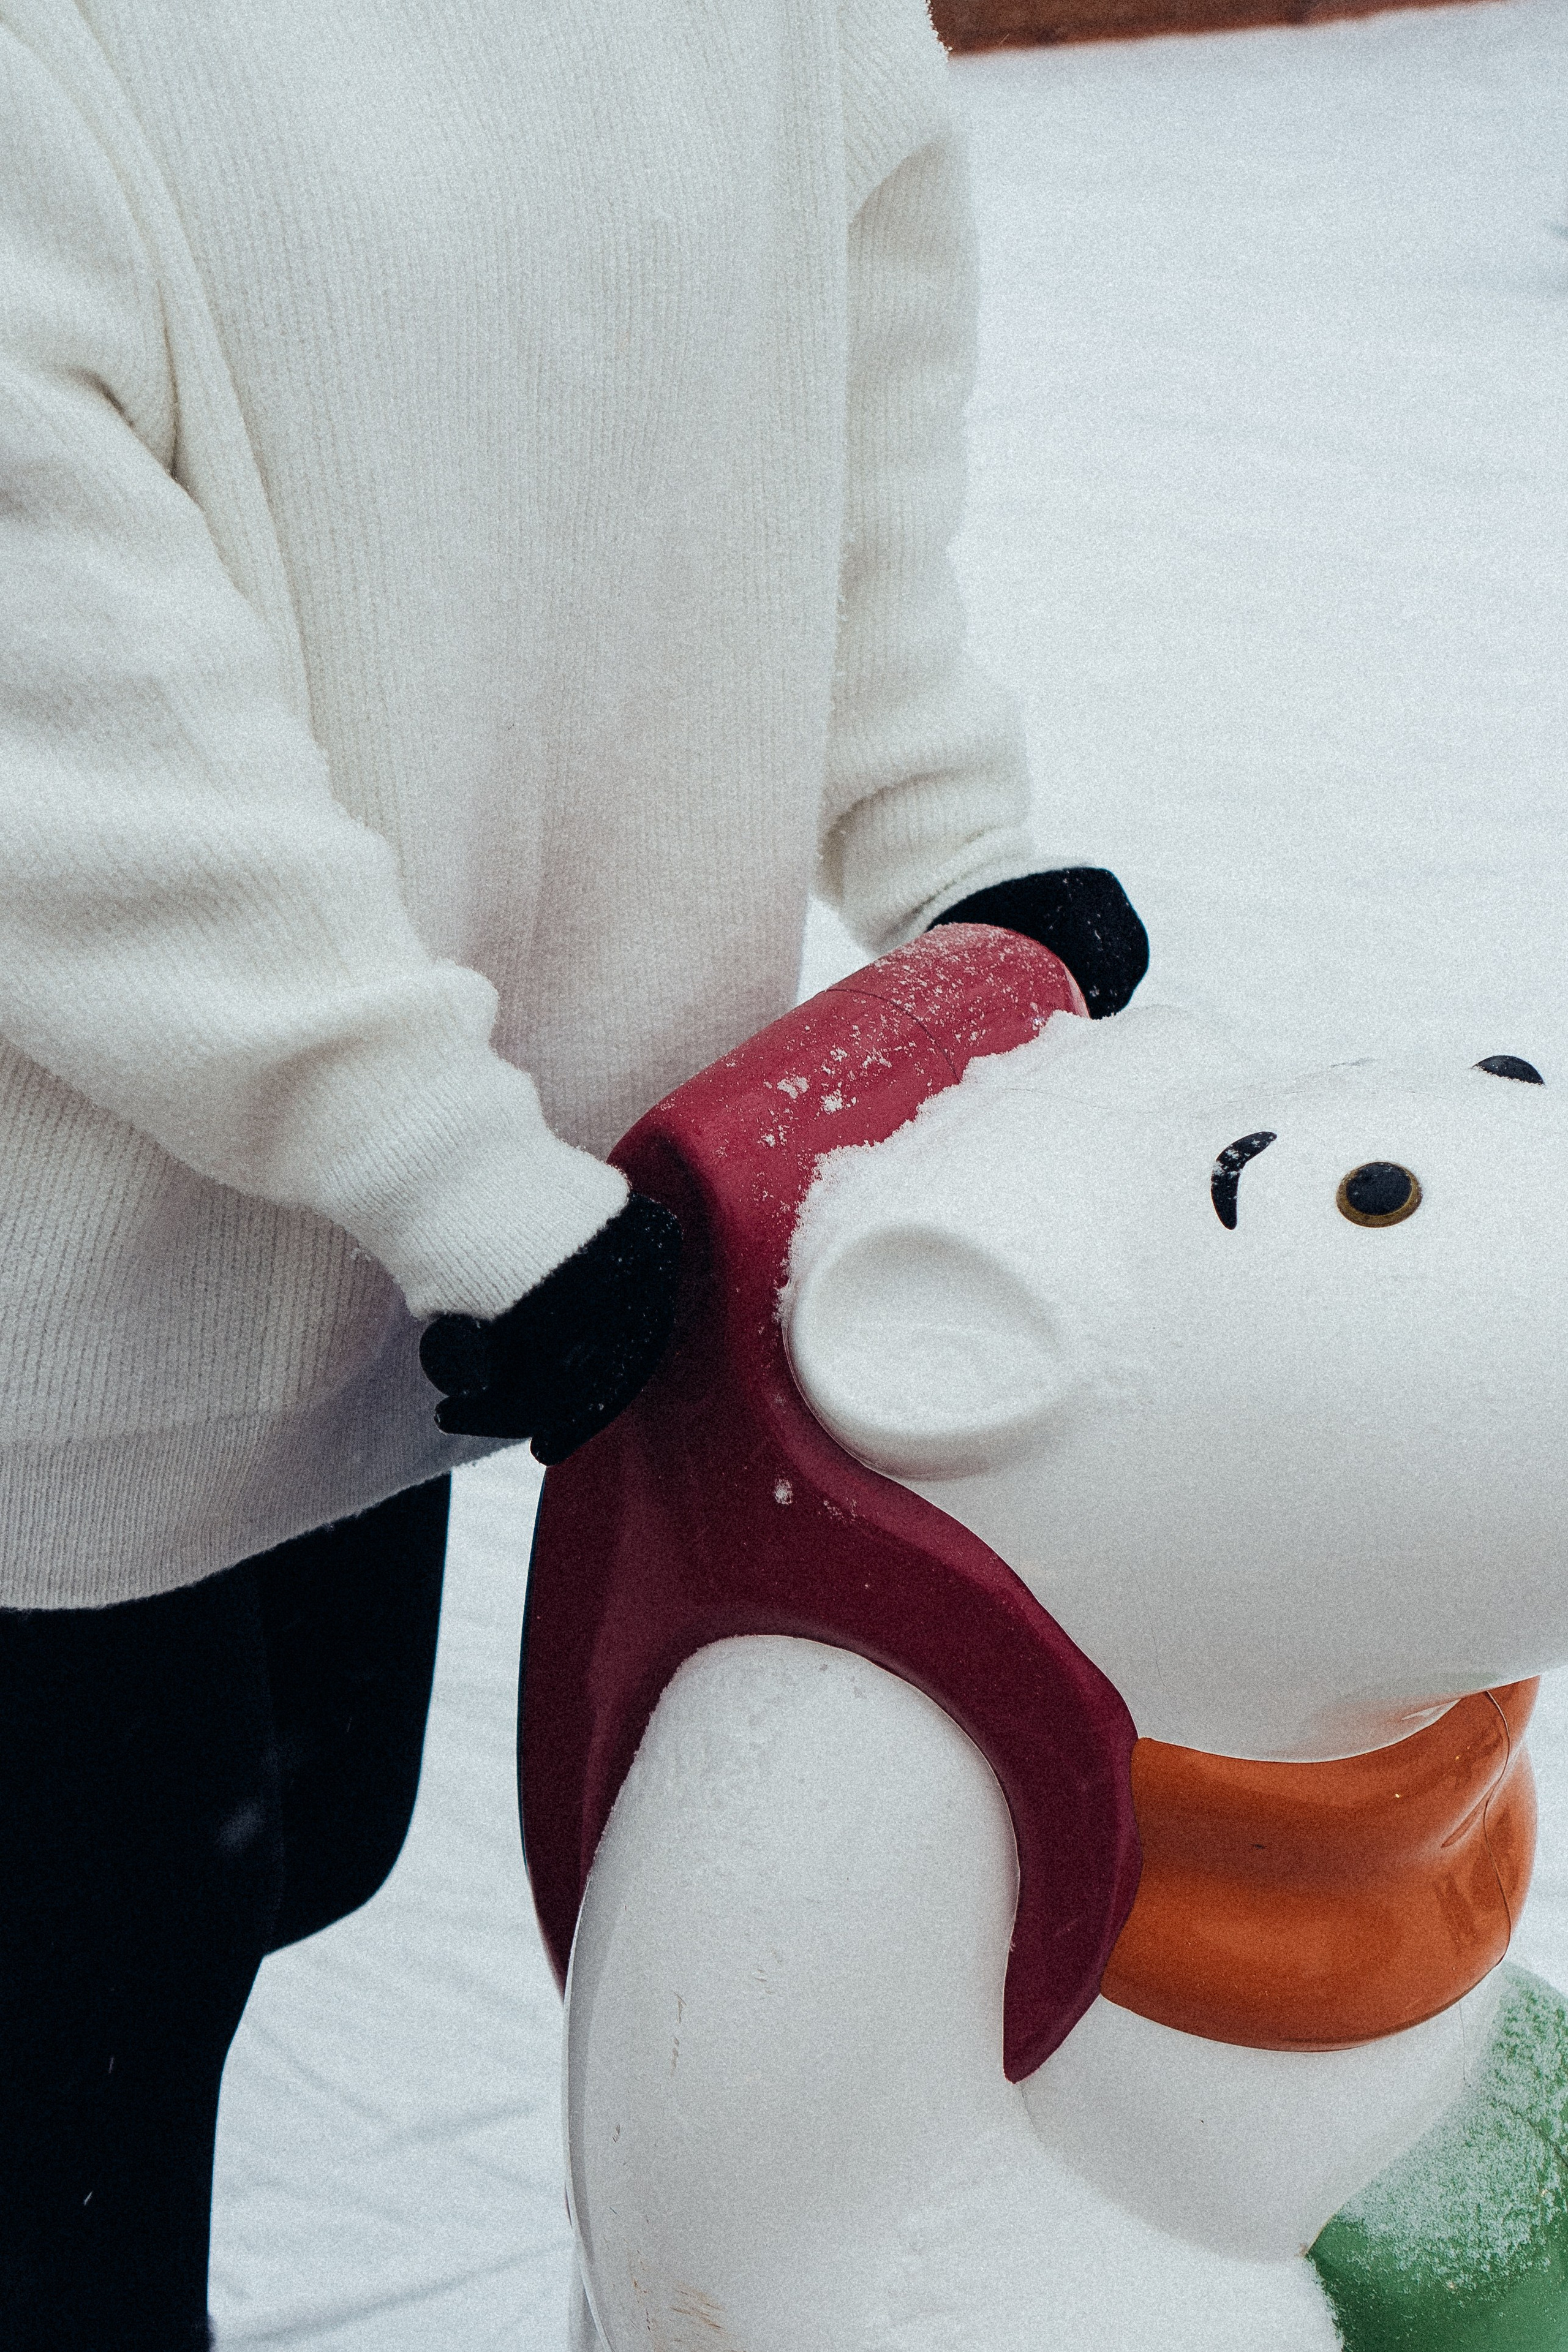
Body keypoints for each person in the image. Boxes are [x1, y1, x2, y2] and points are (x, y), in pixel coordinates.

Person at [0, 0, 1147, 2343]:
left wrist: (950, 844)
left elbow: (840, 412)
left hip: (451, 1283)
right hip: (97, 1309)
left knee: (280, 1873)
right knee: (71, 2115)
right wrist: (422, 1142)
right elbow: (63, 700)